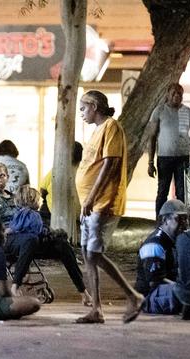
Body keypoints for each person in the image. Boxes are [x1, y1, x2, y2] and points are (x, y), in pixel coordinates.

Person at [75, 90, 144, 324]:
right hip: (90, 205)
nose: (81, 114)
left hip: (102, 202)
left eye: (83, 108)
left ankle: (133, 296)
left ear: (94, 106)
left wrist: (91, 197)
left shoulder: (111, 126)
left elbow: (110, 164)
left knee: (94, 254)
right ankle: (96, 309)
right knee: (88, 255)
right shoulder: (97, 131)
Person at [9, 185, 93, 306]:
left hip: (28, 242)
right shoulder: (34, 215)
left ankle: (83, 291)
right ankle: (15, 286)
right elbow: (37, 231)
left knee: (63, 246)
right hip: (19, 242)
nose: (40, 202)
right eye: (38, 200)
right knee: (36, 239)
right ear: (32, 200)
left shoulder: (20, 215)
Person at [148, 83, 190, 217]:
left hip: (182, 158)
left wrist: (185, 143)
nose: (177, 96)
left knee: (182, 193)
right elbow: (152, 137)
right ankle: (159, 222)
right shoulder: (159, 111)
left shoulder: (188, 112)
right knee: (162, 191)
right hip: (164, 158)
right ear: (167, 94)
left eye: (180, 93)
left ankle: (181, 220)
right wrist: (150, 162)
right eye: (174, 93)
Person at [134, 199, 188, 315]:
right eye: (179, 219)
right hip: (149, 296)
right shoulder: (154, 244)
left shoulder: (175, 240)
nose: (185, 224)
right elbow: (155, 282)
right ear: (165, 220)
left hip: (168, 290)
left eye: (185, 219)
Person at [38, 141, 84, 227]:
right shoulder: (84, 171)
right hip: (77, 216)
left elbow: (42, 189)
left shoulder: (57, 168)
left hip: (52, 212)